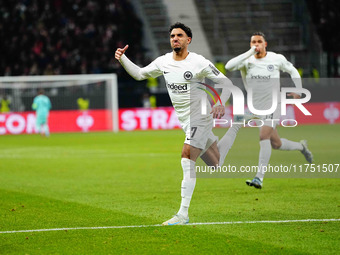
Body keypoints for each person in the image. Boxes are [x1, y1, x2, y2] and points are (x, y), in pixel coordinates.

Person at [115, 22, 237, 225]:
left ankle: (183, 214)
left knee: (186, 157)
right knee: (215, 163)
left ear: (188, 40)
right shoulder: (163, 62)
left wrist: (220, 103)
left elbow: (227, 84)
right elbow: (139, 74)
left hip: (201, 115)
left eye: (179, 35)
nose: (175, 39)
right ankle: (237, 126)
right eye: (172, 36)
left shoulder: (198, 62)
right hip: (185, 120)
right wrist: (122, 59)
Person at [220, 32, 313, 189]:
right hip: (254, 107)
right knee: (275, 143)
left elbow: (293, 71)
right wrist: (250, 52)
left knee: (263, 136)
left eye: (259, 41)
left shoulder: (276, 58)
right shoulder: (246, 61)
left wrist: (298, 89)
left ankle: (259, 178)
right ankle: (301, 146)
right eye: (253, 42)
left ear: (265, 44)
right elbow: (229, 66)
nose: (256, 44)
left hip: (273, 105)